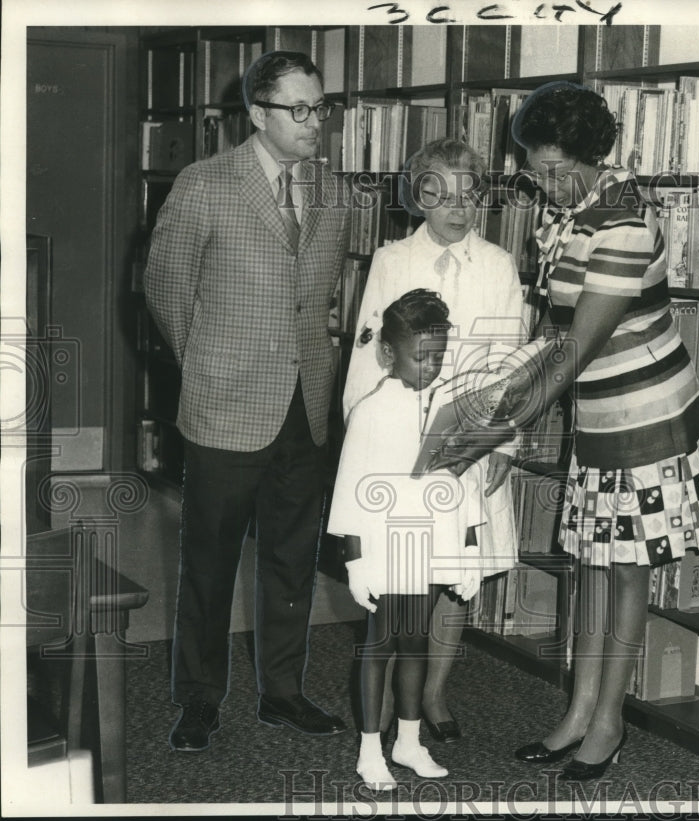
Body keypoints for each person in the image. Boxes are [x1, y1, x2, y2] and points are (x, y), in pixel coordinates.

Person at [437, 81, 699, 781]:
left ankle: (609, 721)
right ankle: (578, 709)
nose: (546, 183)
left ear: (591, 159)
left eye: (557, 170)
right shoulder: (573, 213)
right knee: (592, 563)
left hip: (646, 422)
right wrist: (495, 399)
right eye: (536, 170)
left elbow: (577, 347)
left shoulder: (620, 220)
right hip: (598, 416)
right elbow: (550, 331)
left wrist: (510, 424)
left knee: (624, 574)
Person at [144, 50, 350, 752]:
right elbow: (165, 290)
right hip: (225, 401)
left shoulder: (335, 190)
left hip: (307, 402)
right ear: (257, 113)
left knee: (293, 557)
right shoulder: (205, 184)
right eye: (298, 109)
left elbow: (318, 298)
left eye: (320, 107)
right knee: (210, 558)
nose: (314, 121)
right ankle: (199, 697)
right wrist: (203, 363)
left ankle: (283, 692)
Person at [341, 138, 525, 742]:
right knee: (400, 573)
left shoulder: (498, 265)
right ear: (417, 197)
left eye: (469, 194)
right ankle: (392, 696)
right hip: (398, 440)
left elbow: (508, 363)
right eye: (439, 194)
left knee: (452, 566)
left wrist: (501, 443)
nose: (456, 207)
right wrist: (361, 435)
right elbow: (369, 354)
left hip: (469, 440)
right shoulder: (392, 260)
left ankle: (431, 694)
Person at [328, 289, 485, 791]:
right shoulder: (372, 411)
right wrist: (355, 563)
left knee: (416, 644)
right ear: (389, 354)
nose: (432, 367)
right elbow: (350, 489)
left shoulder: (447, 409)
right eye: (422, 358)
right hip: (382, 548)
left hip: (427, 549)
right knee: (380, 645)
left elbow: (463, 483)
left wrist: (468, 550)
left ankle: (409, 741)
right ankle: (370, 747)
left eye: (439, 357)